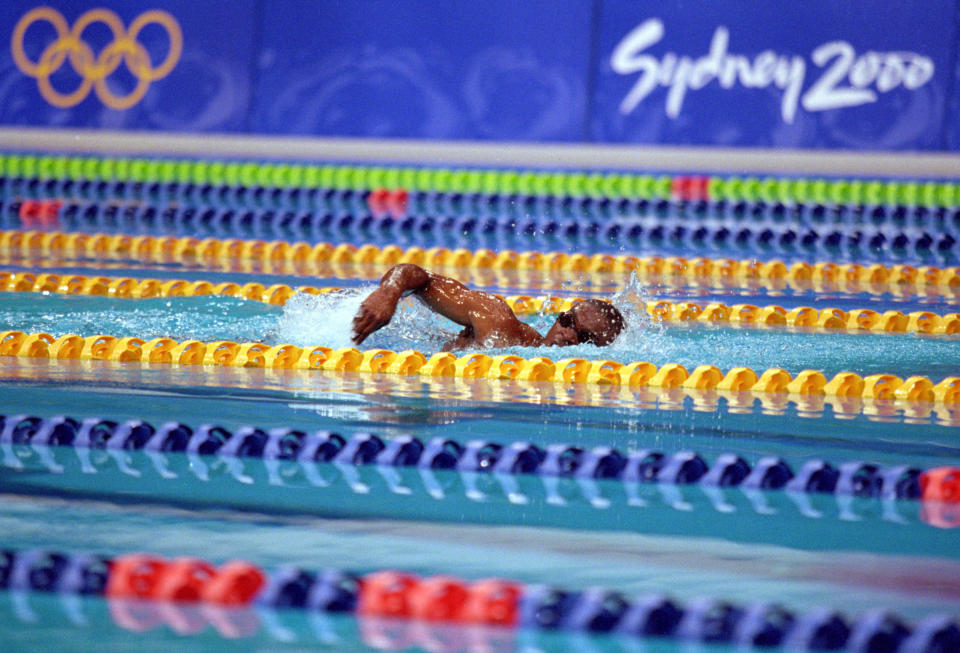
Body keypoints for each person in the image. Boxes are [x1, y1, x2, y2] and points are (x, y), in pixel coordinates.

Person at [351, 264, 625, 351]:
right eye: (567, 320)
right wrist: (388, 293)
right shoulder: (497, 320)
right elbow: (419, 277)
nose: (568, 334)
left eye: (584, 337)